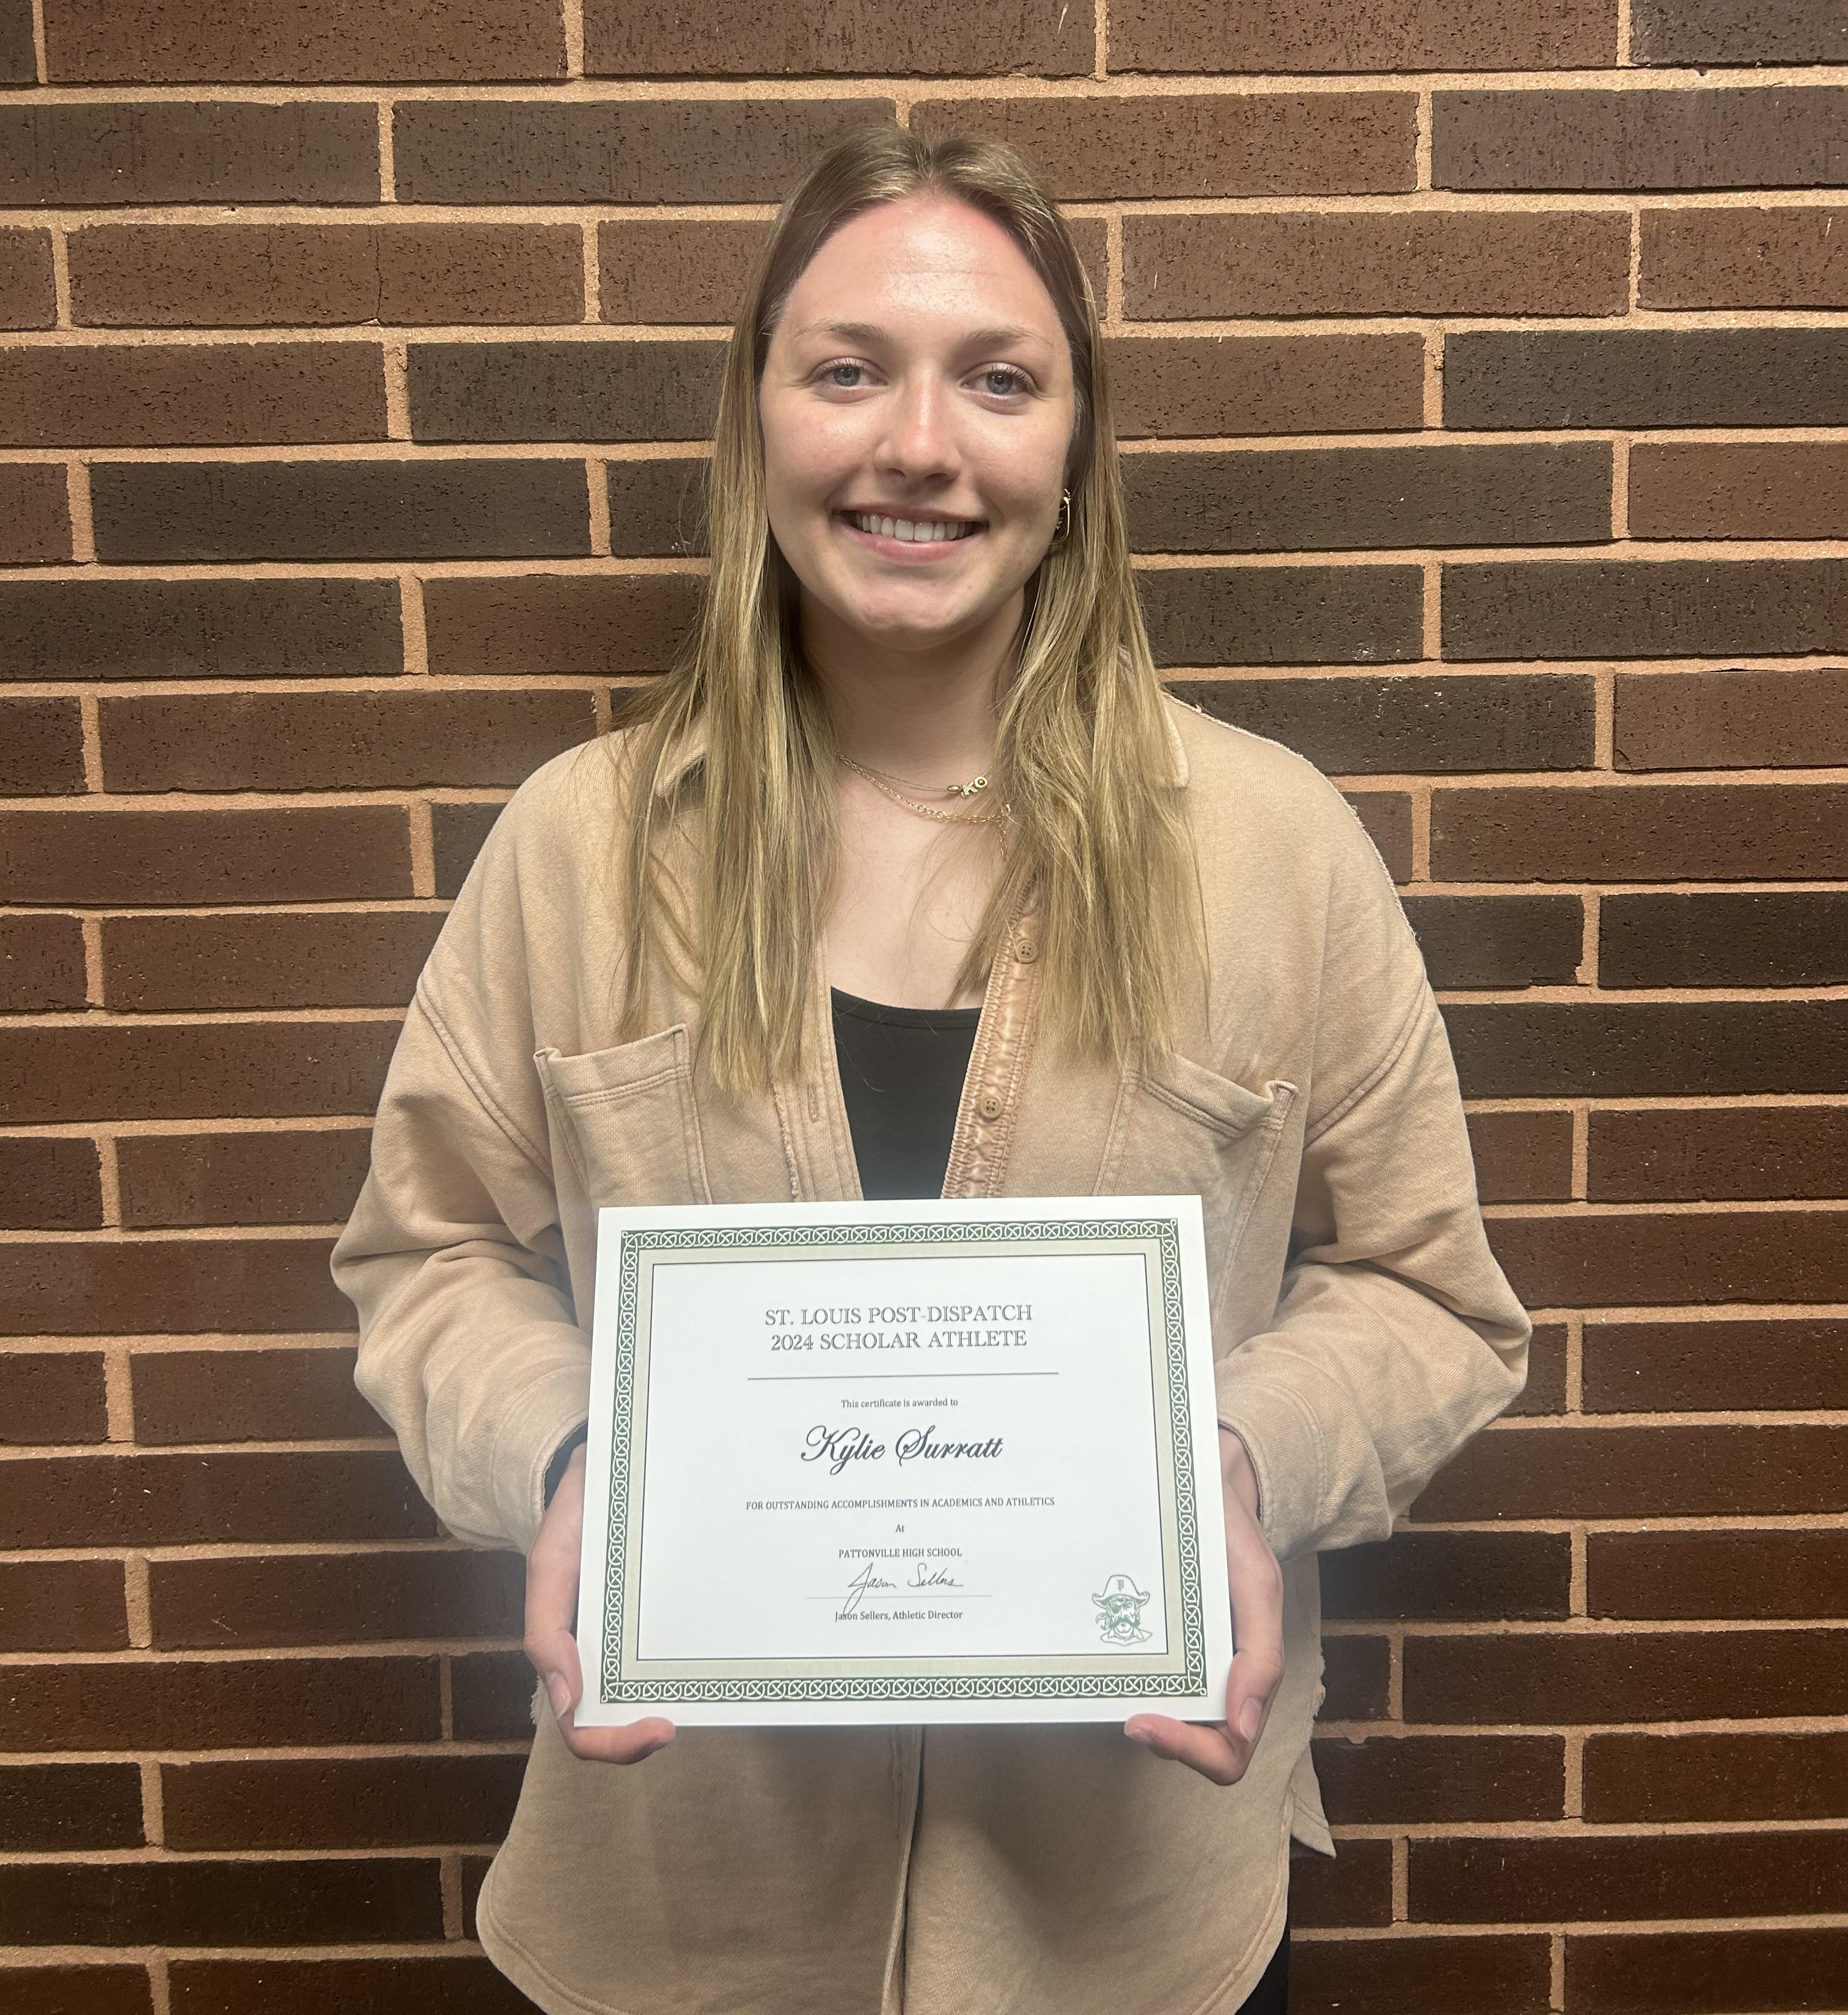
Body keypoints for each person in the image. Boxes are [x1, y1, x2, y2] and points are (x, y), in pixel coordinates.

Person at [333, 128, 1530, 2015]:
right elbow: (427, 1256)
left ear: (1074, 452)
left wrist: (1227, 1460)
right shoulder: (578, 848)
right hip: (677, 1917)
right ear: (758, 429)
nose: (919, 444)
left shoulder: (1273, 849)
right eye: (846, 369)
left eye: (997, 377)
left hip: (1127, 1925)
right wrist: (573, 1461)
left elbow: (1426, 1292)